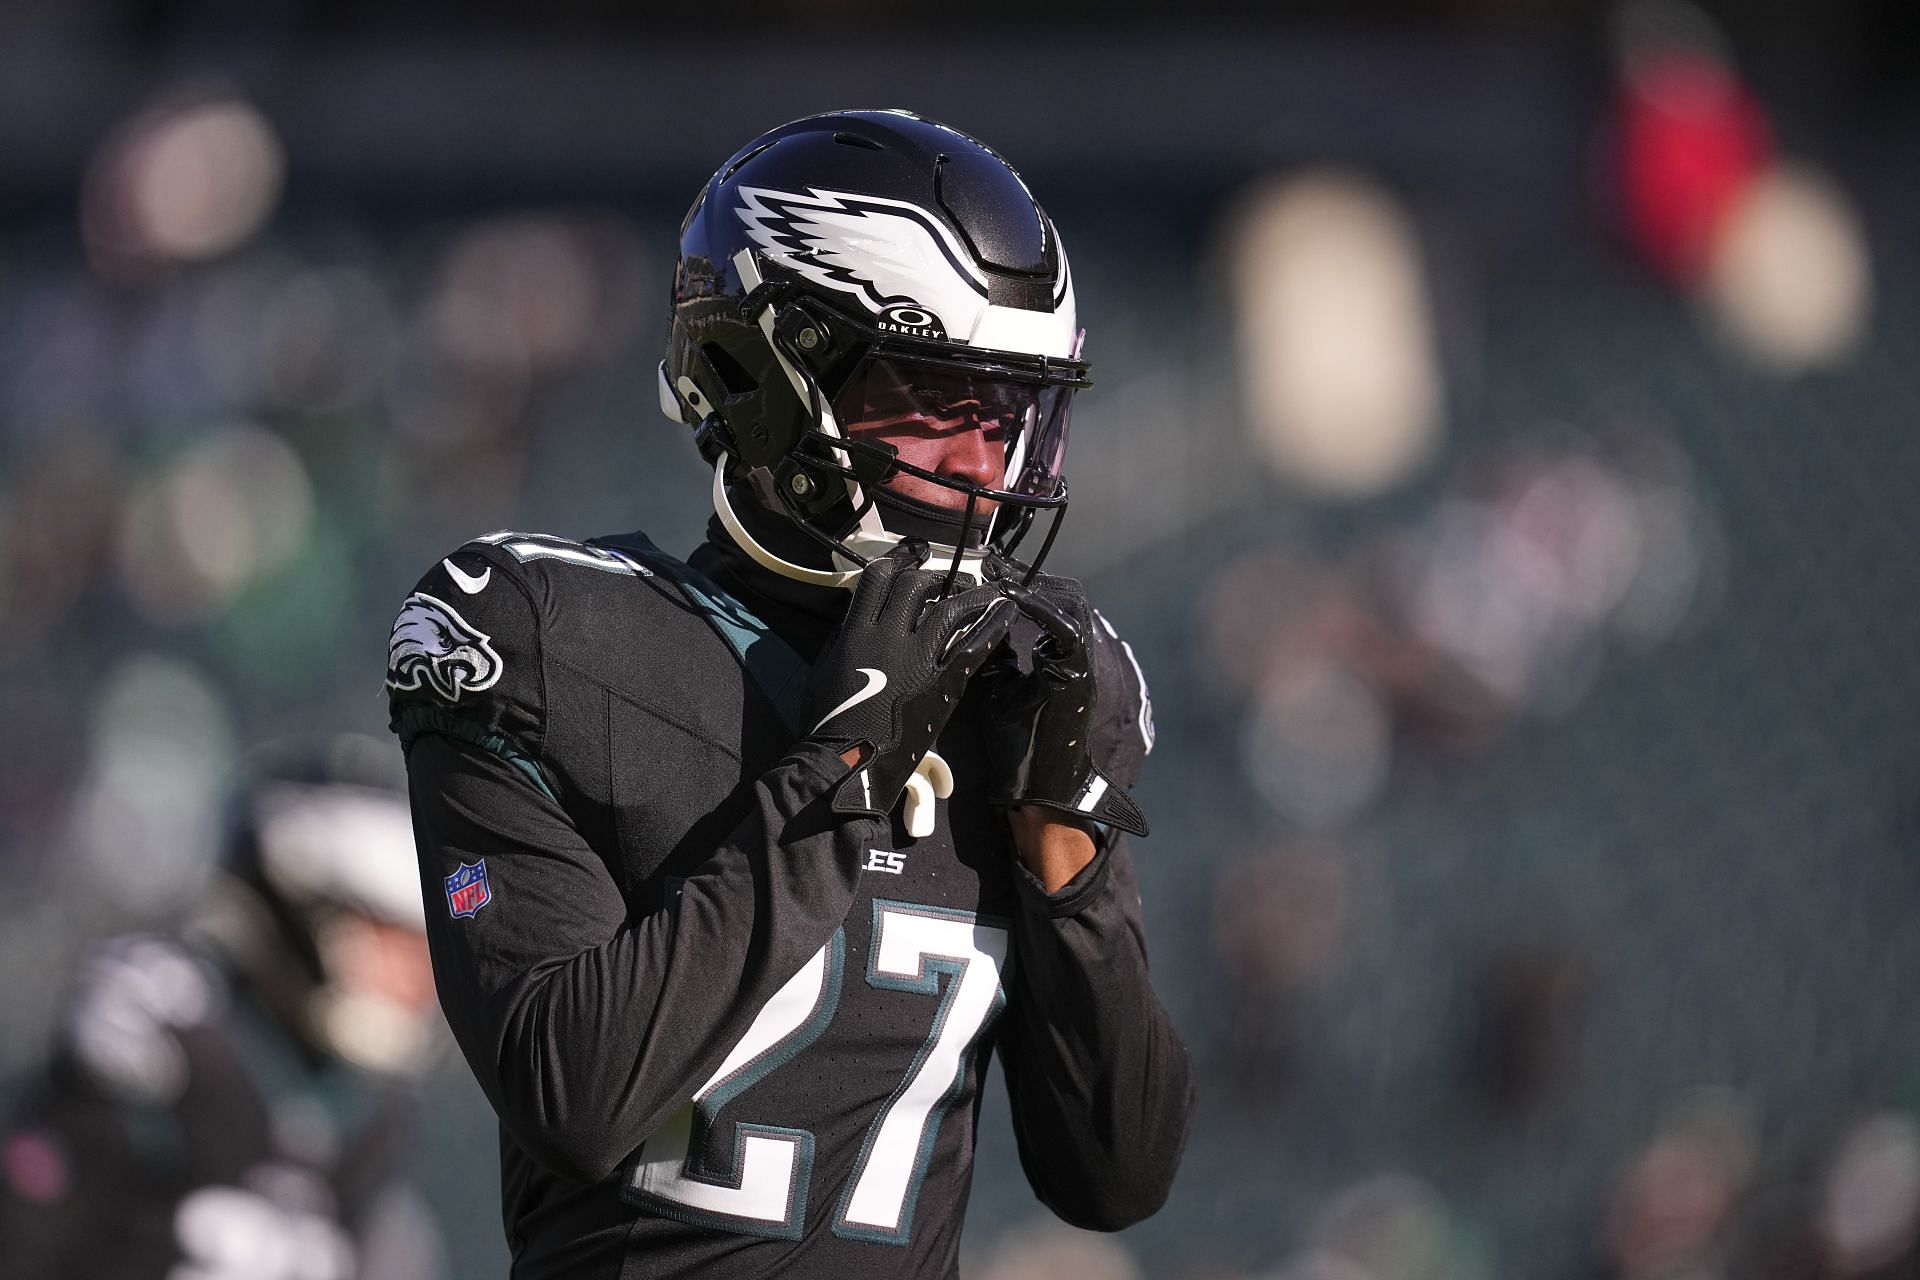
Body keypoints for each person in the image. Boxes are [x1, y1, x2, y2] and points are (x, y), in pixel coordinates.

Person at [386, 108, 1193, 1277]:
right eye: (933, 399)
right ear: (758, 373)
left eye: (1011, 412)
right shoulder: (542, 631)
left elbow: (1117, 1172)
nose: (987, 466)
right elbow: (571, 1089)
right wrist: (838, 774)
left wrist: (1075, 869)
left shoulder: (1020, 685)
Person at [0, 738, 448, 1280]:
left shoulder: (373, 1130)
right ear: (306, 912)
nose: (414, 982)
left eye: (424, 956)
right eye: (388, 943)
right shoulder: (162, 1038)